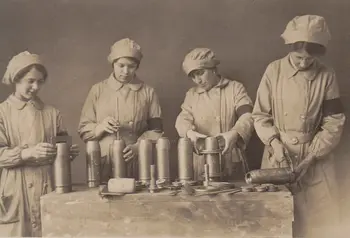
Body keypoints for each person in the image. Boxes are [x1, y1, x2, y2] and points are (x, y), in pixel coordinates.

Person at [252, 15, 345, 238]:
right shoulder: (273, 71)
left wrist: (313, 155)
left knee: (321, 223)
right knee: (276, 220)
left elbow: (334, 120)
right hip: (278, 155)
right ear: (290, 48)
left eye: (309, 60)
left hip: (315, 158)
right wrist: (275, 143)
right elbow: (260, 115)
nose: (304, 63)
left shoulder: (327, 74)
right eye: (298, 57)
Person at [0, 51, 80, 237]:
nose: (36, 87)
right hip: (15, 190)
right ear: (16, 79)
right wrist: (26, 154)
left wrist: (66, 153)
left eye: (40, 81)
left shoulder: (52, 113)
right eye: (30, 81)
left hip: (47, 185)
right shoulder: (2, 113)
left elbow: (63, 144)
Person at [78, 38, 163, 182]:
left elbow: (156, 130)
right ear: (113, 64)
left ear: (137, 66)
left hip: (138, 160)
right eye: (121, 65)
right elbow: (84, 129)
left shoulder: (148, 92)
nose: (125, 71)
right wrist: (100, 127)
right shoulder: (97, 90)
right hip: (104, 162)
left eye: (131, 66)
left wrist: (139, 148)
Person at [175, 48, 254, 181]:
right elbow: (183, 118)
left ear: (213, 69)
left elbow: (248, 115)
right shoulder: (192, 95)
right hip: (203, 162)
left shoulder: (235, 88)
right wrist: (189, 133)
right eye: (193, 76)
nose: (197, 80)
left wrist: (235, 133)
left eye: (200, 73)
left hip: (231, 158)